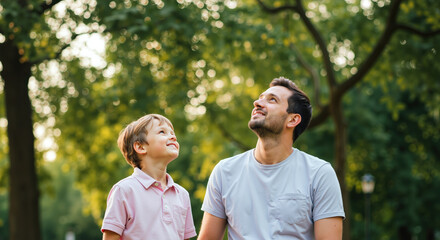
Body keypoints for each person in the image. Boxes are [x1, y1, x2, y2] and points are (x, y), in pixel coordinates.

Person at [198, 77, 345, 239]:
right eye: (260, 98)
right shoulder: (224, 171)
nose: (257, 103)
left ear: (293, 119)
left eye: (272, 100)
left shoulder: (319, 173)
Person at [101, 114, 197, 240]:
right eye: (162, 132)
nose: (173, 137)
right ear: (140, 147)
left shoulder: (182, 194)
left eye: (172, 133)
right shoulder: (124, 190)